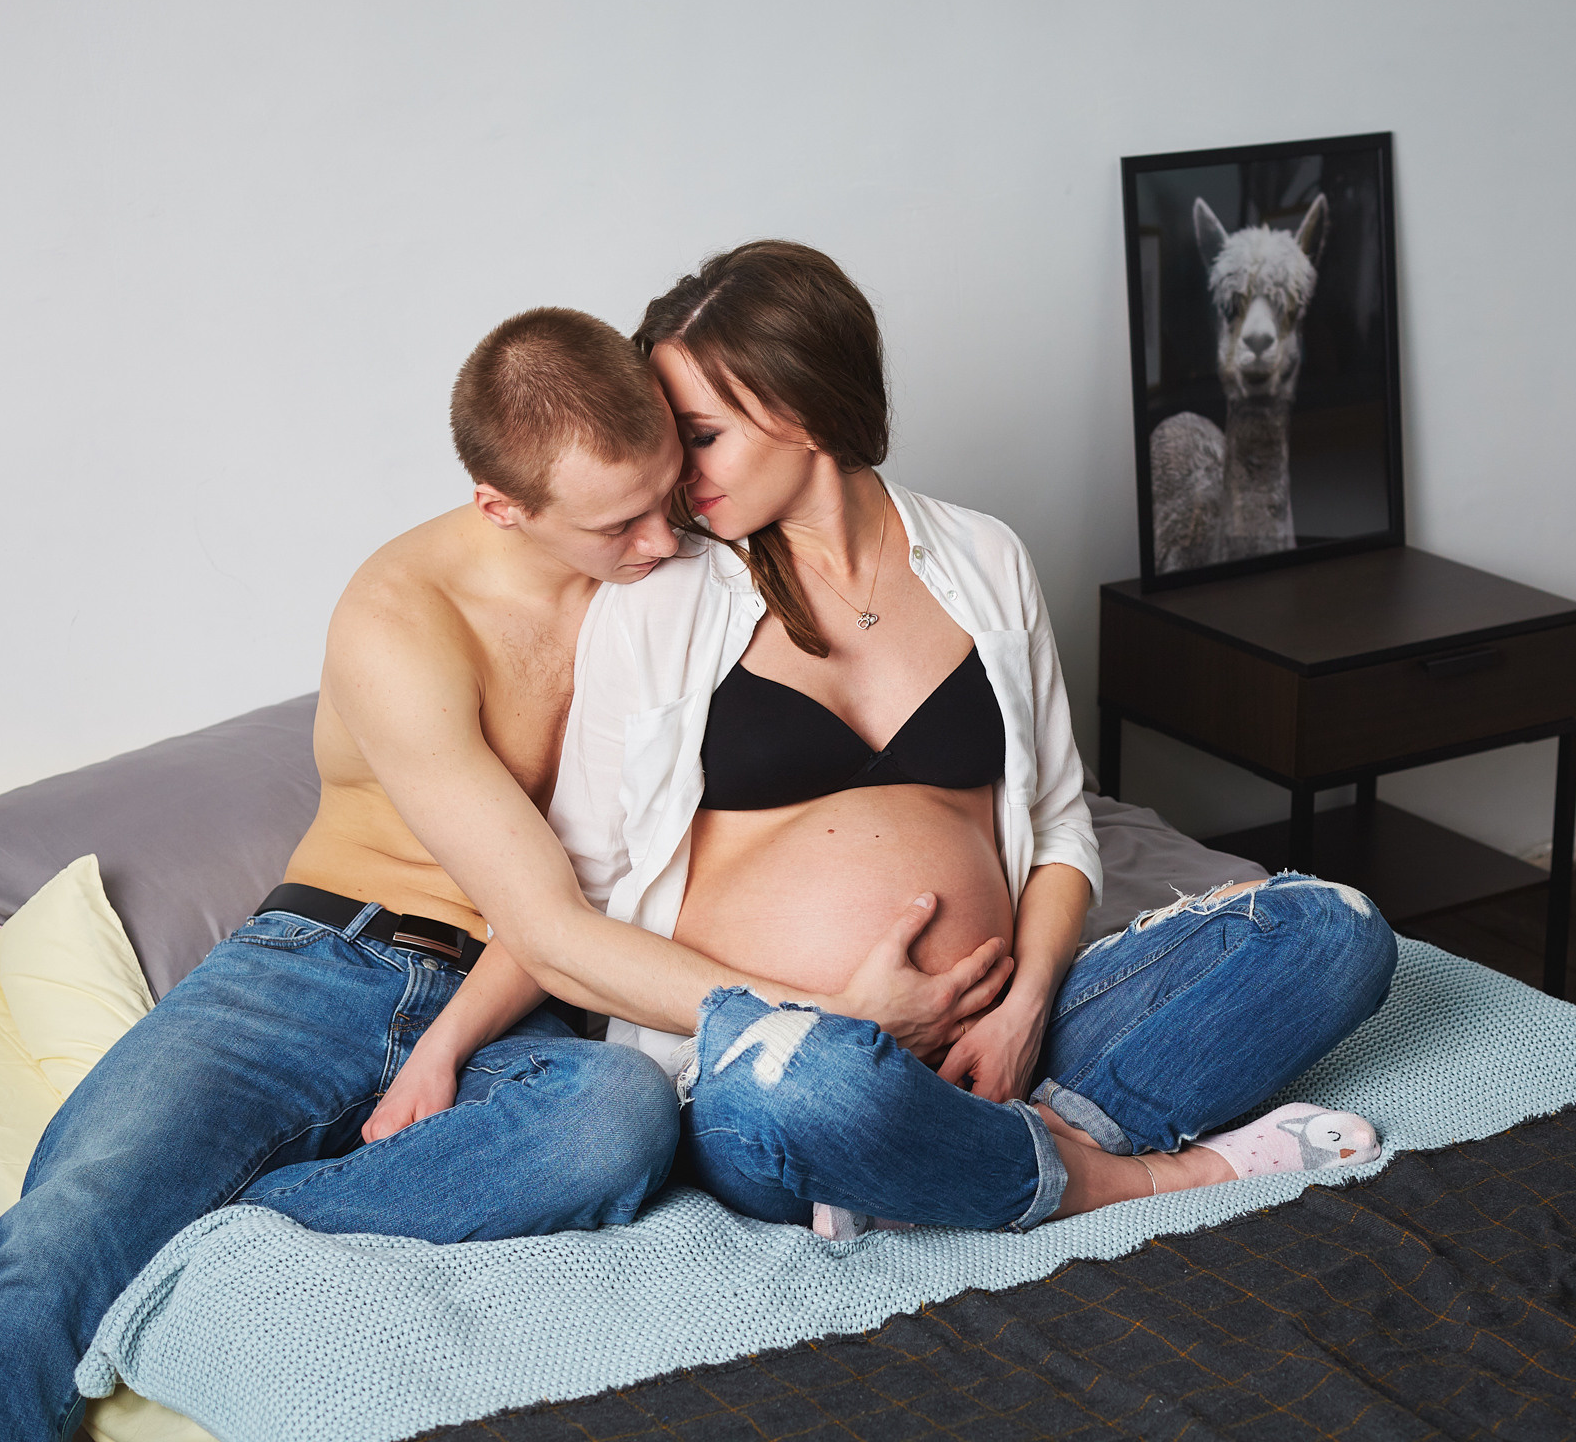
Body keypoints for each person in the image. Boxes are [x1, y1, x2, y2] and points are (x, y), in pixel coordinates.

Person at [0, 307, 1011, 1442]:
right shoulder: (403, 617)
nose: (660, 538)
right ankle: (85, 1251)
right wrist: (827, 1022)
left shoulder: (689, 572)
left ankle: (194, 1233)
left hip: (523, 1009)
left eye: (665, 493)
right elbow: (543, 910)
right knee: (59, 1237)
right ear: (503, 507)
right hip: (323, 968)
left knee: (619, 1117)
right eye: (618, 523)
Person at [374, 244, 1401, 1235]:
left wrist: (1025, 1006)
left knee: (1335, 929)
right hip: (774, 1061)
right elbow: (573, 894)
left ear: (804, 407)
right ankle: (1130, 1177)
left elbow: (1056, 824)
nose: (676, 478)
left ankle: (960, 1151)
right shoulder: (660, 599)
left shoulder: (985, 558)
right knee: (811, 1095)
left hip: (1003, 1037)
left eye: (700, 435)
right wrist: (445, 1045)